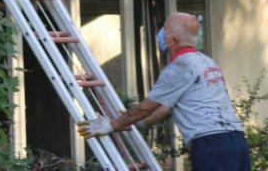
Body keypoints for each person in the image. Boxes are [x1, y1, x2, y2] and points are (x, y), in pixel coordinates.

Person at [78, 13, 249, 171]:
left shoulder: (180, 66)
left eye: (164, 29)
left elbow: (145, 108)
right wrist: (140, 124)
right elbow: (167, 108)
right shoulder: (206, 61)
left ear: (172, 40)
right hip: (237, 142)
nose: (160, 33)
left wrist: (111, 125)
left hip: (212, 147)